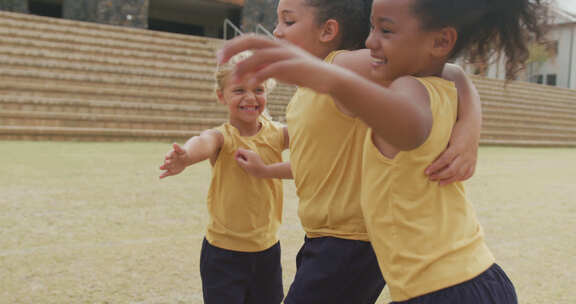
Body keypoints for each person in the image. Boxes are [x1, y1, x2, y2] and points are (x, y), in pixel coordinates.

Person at [217, 0, 546, 302]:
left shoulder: (381, 81)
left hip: (439, 283)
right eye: (373, 27)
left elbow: (411, 125)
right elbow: (319, 159)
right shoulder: (420, 85)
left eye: (385, 30)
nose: (371, 42)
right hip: (454, 279)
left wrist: (330, 77)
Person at [158, 52, 289, 304]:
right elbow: (203, 141)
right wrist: (186, 156)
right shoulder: (223, 136)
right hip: (223, 255)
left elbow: (311, 139)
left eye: (258, 89)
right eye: (239, 90)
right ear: (221, 96)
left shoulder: (278, 134)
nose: (250, 98)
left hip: (267, 252)